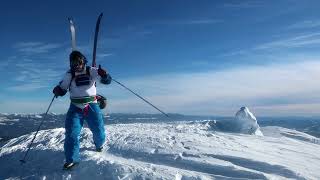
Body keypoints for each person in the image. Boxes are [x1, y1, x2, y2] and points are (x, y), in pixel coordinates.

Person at [53, 50, 112, 170]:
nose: (77, 65)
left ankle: (99, 144)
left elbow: (107, 81)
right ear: (71, 64)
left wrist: (105, 75)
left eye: (79, 62)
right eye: (74, 63)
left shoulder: (92, 71)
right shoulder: (69, 74)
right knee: (71, 133)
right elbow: (63, 88)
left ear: (83, 61)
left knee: (98, 129)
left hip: (92, 105)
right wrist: (58, 90)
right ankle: (72, 159)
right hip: (75, 107)